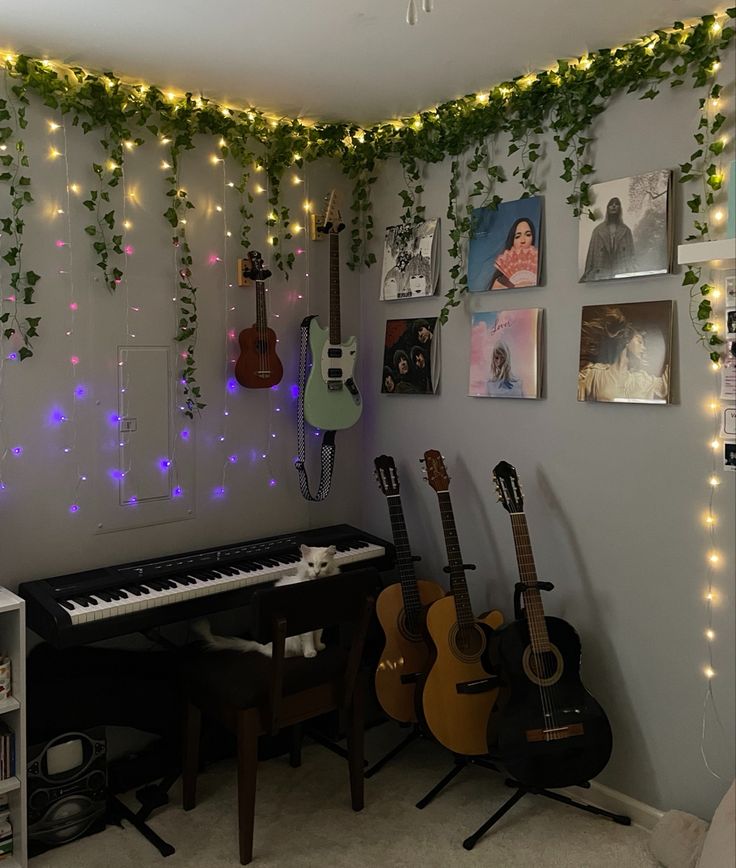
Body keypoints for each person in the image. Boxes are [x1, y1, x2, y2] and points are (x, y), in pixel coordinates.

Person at [578, 306, 669, 402]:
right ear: (627, 340)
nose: (644, 348)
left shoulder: (641, 380)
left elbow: (667, 387)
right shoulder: (594, 374)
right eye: (639, 341)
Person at [581, 196, 636, 282]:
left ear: (620, 208)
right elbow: (590, 256)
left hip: (621, 273)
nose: (614, 206)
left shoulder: (626, 231)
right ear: (607, 208)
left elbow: (632, 255)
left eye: (616, 204)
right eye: (611, 204)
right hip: (601, 273)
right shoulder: (598, 230)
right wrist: (587, 275)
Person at [488, 217, 539, 290]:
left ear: (533, 237)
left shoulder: (541, 270)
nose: (523, 240)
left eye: (528, 235)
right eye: (517, 236)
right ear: (512, 241)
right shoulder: (500, 282)